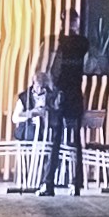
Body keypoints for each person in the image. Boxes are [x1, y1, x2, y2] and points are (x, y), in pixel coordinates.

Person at [38, 20, 88, 198]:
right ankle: (76, 183)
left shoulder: (62, 45)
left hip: (61, 97)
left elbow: (55, 72)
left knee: (56, 140)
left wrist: (53, 90)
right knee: (76, 142)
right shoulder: (83, 44)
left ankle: (48, 182)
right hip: (76, 96)